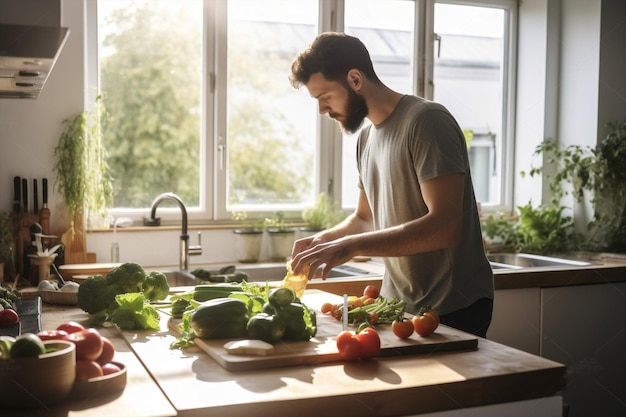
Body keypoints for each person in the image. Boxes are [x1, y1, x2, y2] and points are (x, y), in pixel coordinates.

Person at [288, 32, 494, 338]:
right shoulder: (366, 139)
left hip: (454, 305)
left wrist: (350, 246)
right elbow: (364, 218)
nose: (322, 110)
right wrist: (323, 242)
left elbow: (445, 226)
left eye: (325, 97)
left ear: (355, 79)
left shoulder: (427, 121)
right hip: (400, 305)